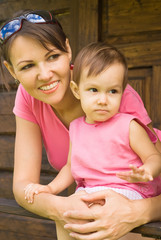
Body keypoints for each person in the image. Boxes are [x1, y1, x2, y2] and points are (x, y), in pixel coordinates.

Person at [0, 9, 161, 240]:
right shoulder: (28, 97)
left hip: (140, 202)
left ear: (68, 49)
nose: (45, 74)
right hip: (88, 198)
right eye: (27, 66)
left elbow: (155, 164)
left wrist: (136, 212)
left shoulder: (110, 91)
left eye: (53, 56)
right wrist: (62, 207)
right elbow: (22, 186)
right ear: (11, 70)